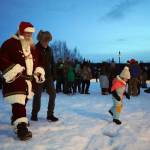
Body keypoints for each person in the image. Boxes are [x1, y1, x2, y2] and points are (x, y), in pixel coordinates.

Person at [0, 22, 45, 140]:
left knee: (22, 103)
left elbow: (38, 61)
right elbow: (2, 58)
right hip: (15, 80)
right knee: (19, 103)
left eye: (31, 33)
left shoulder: (32, 47)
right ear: (20, 31)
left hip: (28, 82)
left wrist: (39, 71)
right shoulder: (9, 43)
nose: (29, 35)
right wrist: (14, 70)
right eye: (27, 32)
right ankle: (21, 127)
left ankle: (17, 117)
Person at [31, 30, 59, 122]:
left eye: (48, 41)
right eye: (45, 41)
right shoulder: (35, 48)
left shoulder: (50, 49)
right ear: (40, 40)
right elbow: (32, 63)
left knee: (53, 94)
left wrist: (54, 74)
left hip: (48, 76)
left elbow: (52, 62)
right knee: (37, 95)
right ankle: (34, 114)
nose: (47, 43)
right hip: (38, 76)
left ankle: (50, 114)